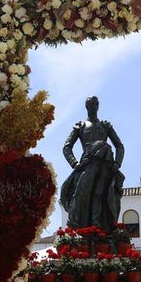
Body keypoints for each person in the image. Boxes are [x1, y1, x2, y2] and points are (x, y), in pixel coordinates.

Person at [59, 95, 126, 232]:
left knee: (101, 195)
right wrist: (75, 164)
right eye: (90, 104)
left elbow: (119, 146)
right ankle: (86, 228)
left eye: (95, 103)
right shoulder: (80, 126)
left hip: (106, 165)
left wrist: (117, 163)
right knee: (82, 195)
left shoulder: (105, 126)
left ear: (98, 106)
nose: (93, 106)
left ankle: (98, 227)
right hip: (88, 164)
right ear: (86, 107)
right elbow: (67, 147)